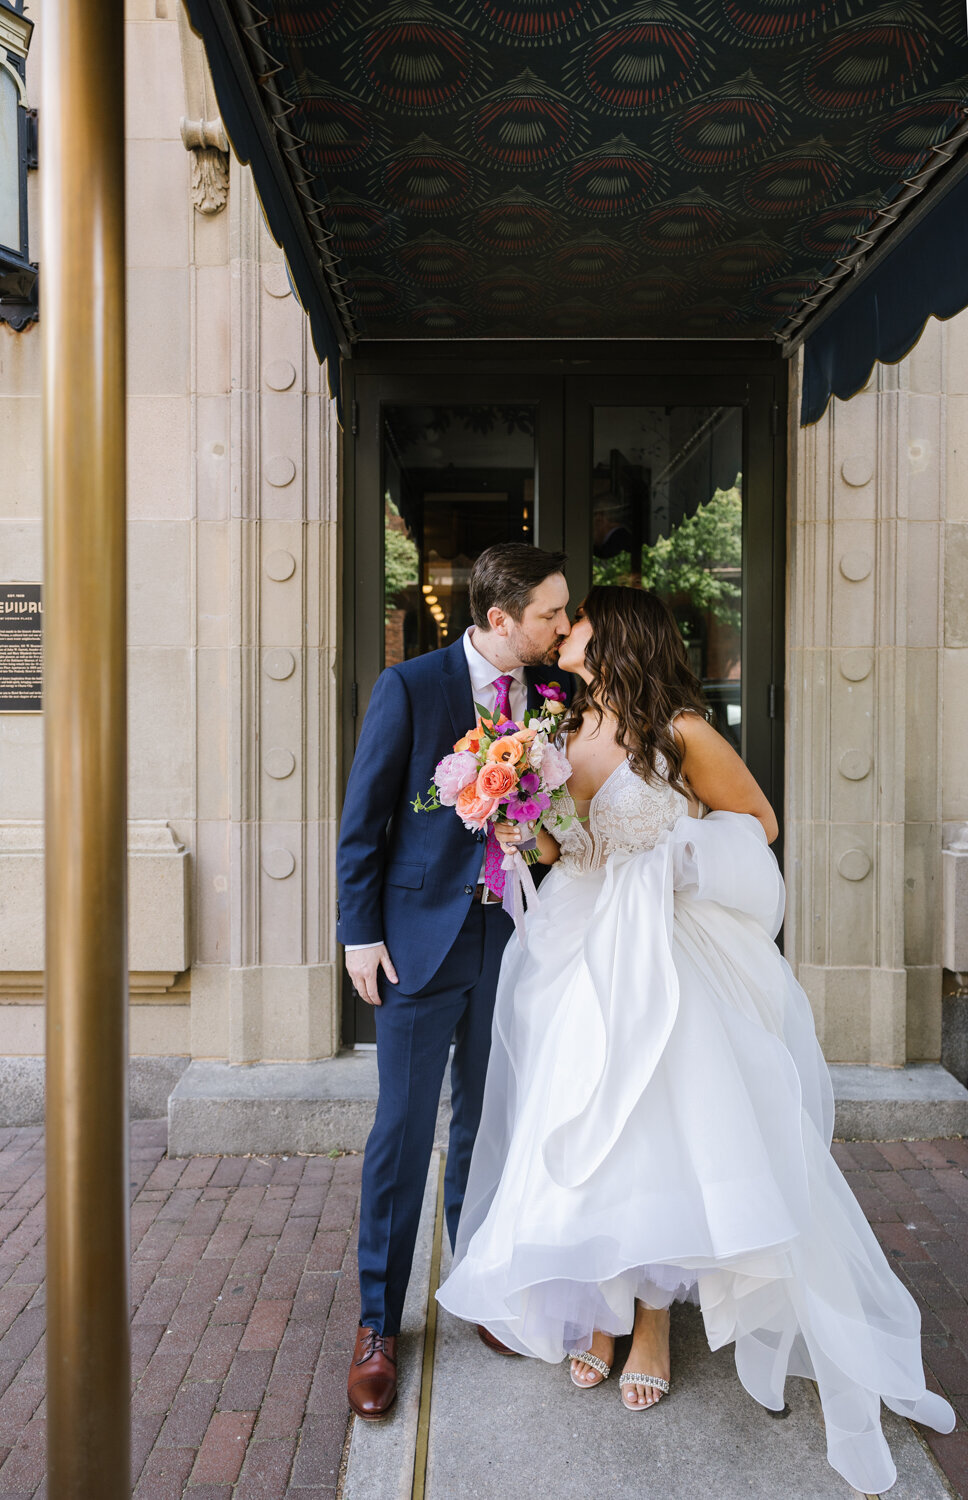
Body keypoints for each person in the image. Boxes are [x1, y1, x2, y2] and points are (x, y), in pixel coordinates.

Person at [436, 586, 954, 1495]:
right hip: (579, 953)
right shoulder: (559, 729)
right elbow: (567, 845)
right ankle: (596, 1310)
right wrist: (516, 818)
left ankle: (649, 1324)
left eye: (579, 623)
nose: (565, 634)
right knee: (583, 1130)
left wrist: (678, 860)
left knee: (655, 1135)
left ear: (617, 636)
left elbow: (760, 824)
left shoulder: (681, 733)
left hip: (665, 959)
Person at [337, 542, 572, 1421]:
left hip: (505, 939)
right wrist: (358, 932)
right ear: (501, 618)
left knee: (485, 1125)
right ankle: (375, 1324)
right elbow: (363, 821)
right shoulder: (411, 686)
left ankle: (478, 1291)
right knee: (401, 1135)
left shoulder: (544, 696)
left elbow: (545, 815)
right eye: (549, 613)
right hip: (415, 945)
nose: (561, 626)